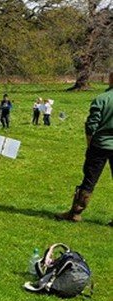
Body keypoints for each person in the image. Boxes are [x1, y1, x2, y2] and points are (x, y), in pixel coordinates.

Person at [56, 72, 113, 223]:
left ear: (110, 79)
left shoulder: (102, 99)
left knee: (89, 180)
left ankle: (75, 213)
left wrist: (90, 144)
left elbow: (91, 126)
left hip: (100, 145)